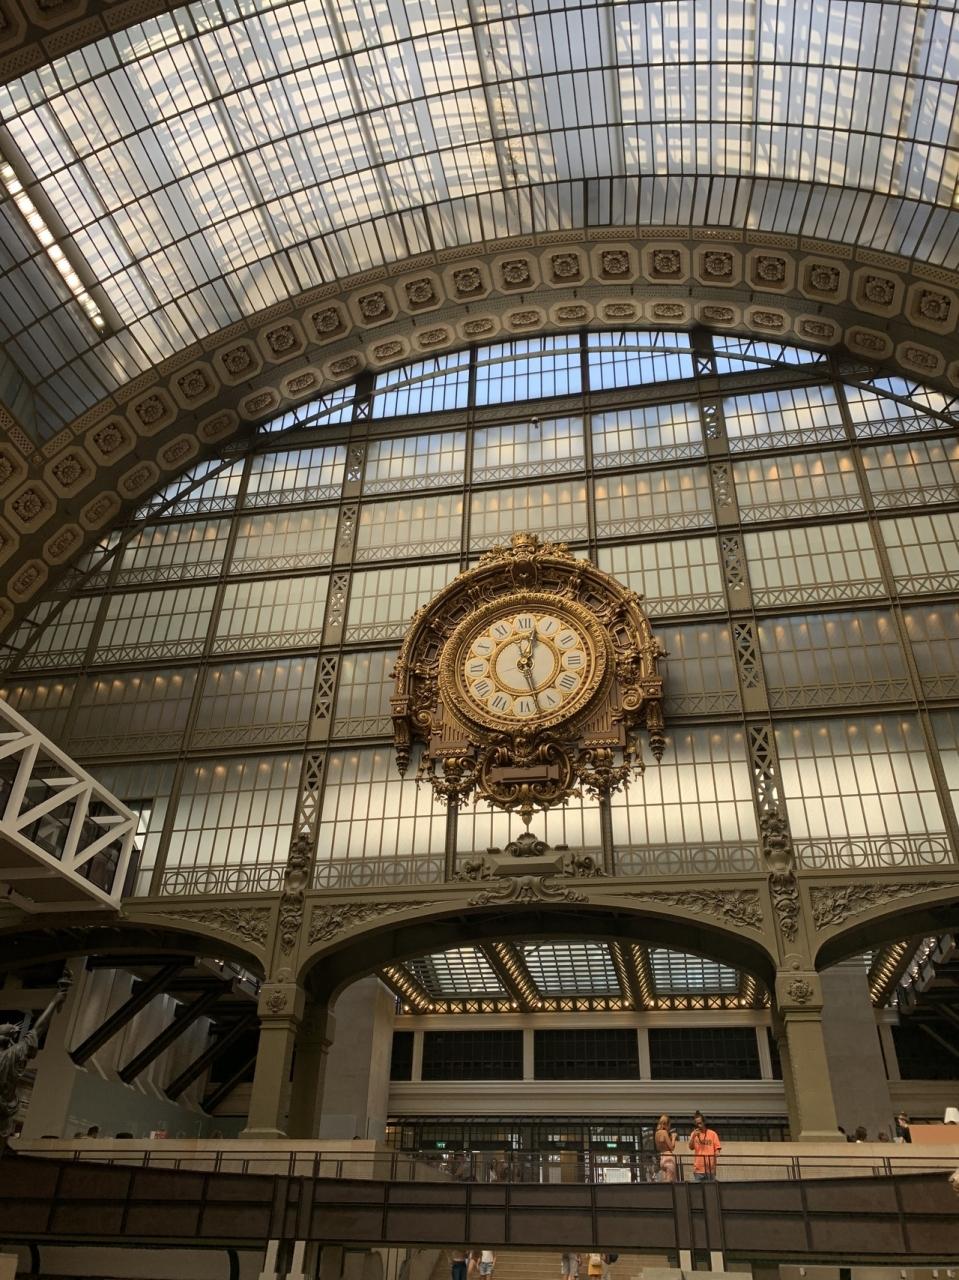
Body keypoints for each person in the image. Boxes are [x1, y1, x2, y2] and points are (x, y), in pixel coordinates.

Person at [688, 1111, 721, 1182]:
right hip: (698, 1169)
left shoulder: (712, 1134)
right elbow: (690, 1147)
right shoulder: (693, 1134)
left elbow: (717, 1148)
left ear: (704, 1122)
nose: (698, 1125)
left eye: (700, 1123)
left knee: (711, 1188)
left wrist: (717, 1152)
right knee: (698, 1188)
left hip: (710, 1169)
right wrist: (693, 1137)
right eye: (697, 1124)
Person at [654, 1114, 677, 1183]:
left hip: (662, 1157)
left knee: (665, 1182)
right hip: (669, 1157)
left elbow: (658, 1147)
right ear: (667, 1124)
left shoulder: (656, 1133)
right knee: (671, 1182)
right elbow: (672, 1147)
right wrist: (673, 1137)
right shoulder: (664, 1132)